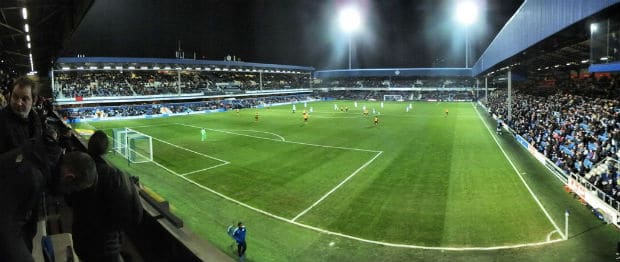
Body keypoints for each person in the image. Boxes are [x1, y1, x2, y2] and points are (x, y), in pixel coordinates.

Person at [0, 136, 74, 262]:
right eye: (72, 187)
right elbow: (6, 225)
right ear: (69, 177)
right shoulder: (31, 176)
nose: (68, 192)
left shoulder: (40, 159)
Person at [66, 146, 143, 262]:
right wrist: (135, 191)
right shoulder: (114, 178)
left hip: (81, 241)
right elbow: (135, 215)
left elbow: (70, 201)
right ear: (105, 151)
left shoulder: (79, 173)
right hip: (105, 247)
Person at [0, 76, 43, 154]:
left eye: (24, 99)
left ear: (34, 101)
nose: (19, 103)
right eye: (15, 97)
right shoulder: (2, 121)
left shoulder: (36, 120)